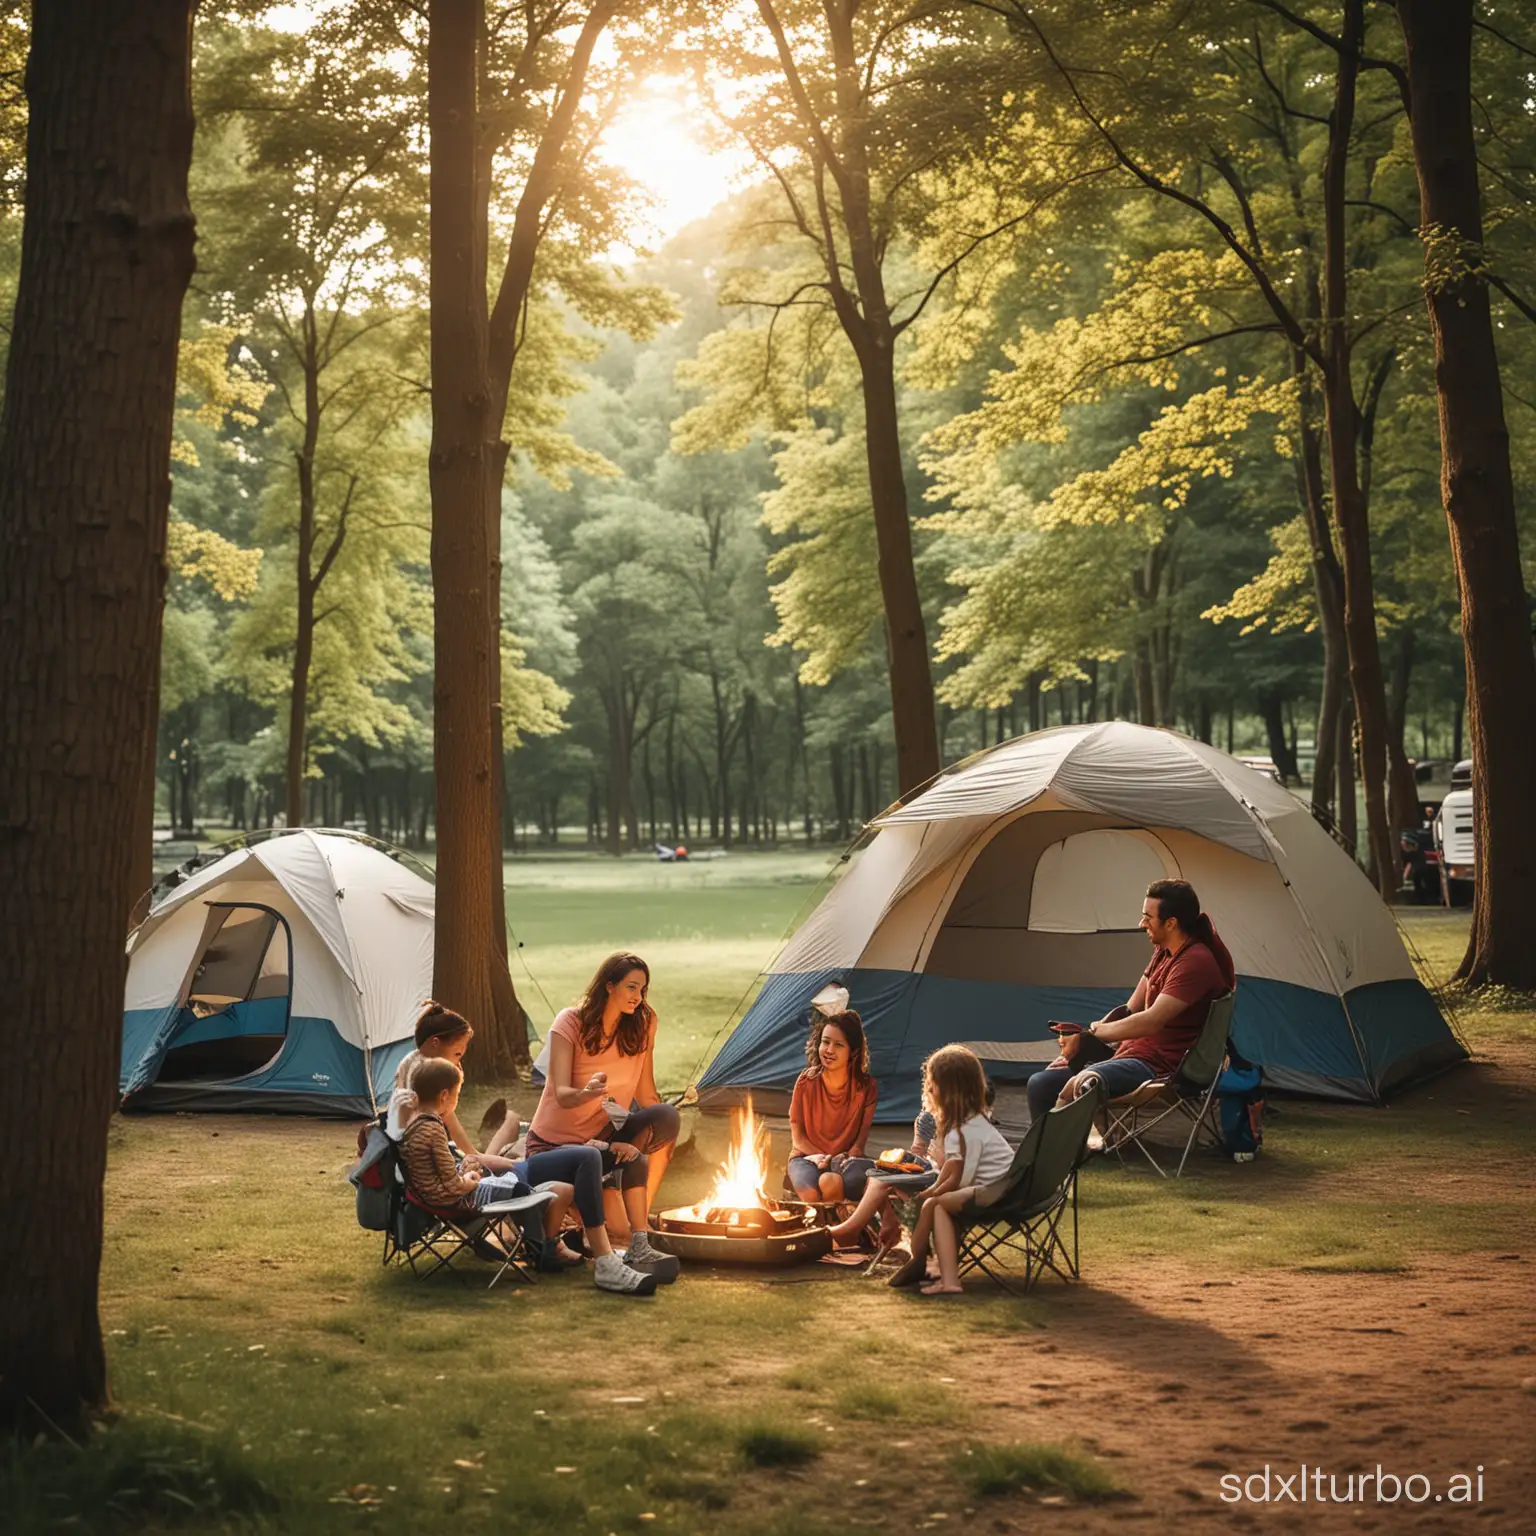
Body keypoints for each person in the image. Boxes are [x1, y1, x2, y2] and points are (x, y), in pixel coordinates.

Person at [402, 1058, 660, 1297]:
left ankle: (560, 1250)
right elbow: (452, 1184)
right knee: (587, 1158)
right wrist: (472, 1177)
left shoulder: (415, 1126)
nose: (456, 1101)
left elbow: (442, 1174)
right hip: (512, 1179)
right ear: (445, 1095)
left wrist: (470, 1164)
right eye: (457, 1094)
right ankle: (600, 1258)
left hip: (515, 1170)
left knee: (586, 1158)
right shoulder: (432, 1128)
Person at [1024, 879, 1237, 1125]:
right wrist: (1083, 1041)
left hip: (1164, 1068)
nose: (1141, 923)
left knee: (1085, 1081)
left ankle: (1064, 1152)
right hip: (1135, 1053)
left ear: (1171, 923)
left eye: (1148, 917)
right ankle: (1047, 1150)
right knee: (1041, 1084)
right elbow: (1130, 1008)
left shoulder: (1194, 962)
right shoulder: (1163, 952)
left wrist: (1097, 1032)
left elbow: (1151, 1021)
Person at [525, 952, 680, 1276]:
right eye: (631, 987)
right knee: (614, 1162)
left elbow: (644, 1092)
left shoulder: (644, 1022)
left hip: (602, 1137)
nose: (638, 997)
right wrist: (587, 1094)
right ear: (608, 986)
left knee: (664, 1117)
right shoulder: (570, 1022)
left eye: (642, 989)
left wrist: (661, 1135)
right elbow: (560, 1094)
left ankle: (640, 1243)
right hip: (555, 1146)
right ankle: (592, 1229)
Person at [884, 1045, 1013, 1296]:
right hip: (1001, 1188)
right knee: (934, 1202)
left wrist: (933, 1195)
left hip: (999, 1193)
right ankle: (922, 1261)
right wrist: (933, 1190)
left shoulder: (963, 1131)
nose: (928, 1088)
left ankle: (927, 1264)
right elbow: (951, 1173)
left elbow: (960, 1179)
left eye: (933, 1083)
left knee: (937, 1205)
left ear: (952, 1090)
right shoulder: (968, 1123)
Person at [386, 1001, 520, 1157]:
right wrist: (474, 1156)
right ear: (435, 1043)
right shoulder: (426, 1075)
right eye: (457, 1054)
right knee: (511, 1124)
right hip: (426, 1156)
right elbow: (450, 1121)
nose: (457, 1062)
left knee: (512, 1122)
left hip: (427, 1150)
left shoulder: (412, 1062)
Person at [786, 1004, 878, 1204]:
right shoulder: (805, 1082)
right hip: (806, 1156)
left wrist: (838, 1159)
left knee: (832, 1181)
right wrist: (820, 1157)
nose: (829, 1050)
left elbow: (859, 1143)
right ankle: (833, 1231)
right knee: (811, 1192)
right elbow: (798, 1137)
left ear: (853, 1052)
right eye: (825, 1042)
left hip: (846, 1159)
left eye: (839, 1045)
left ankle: (836, 1233)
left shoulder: (867, 1087)